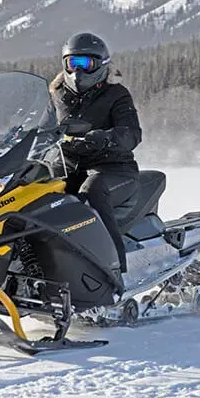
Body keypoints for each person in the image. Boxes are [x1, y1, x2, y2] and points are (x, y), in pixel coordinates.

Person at [47, 32, 142, 280]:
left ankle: (113, 269)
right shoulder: (56, 94)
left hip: (112, 169)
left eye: (85, 64)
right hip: (66, 167)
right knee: (32, 193)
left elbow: (132, 134)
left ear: (101, 64)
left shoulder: (116, 94)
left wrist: (103, 137)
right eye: (72, 63)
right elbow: (37, 123)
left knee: (93, 190)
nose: (78, 71)